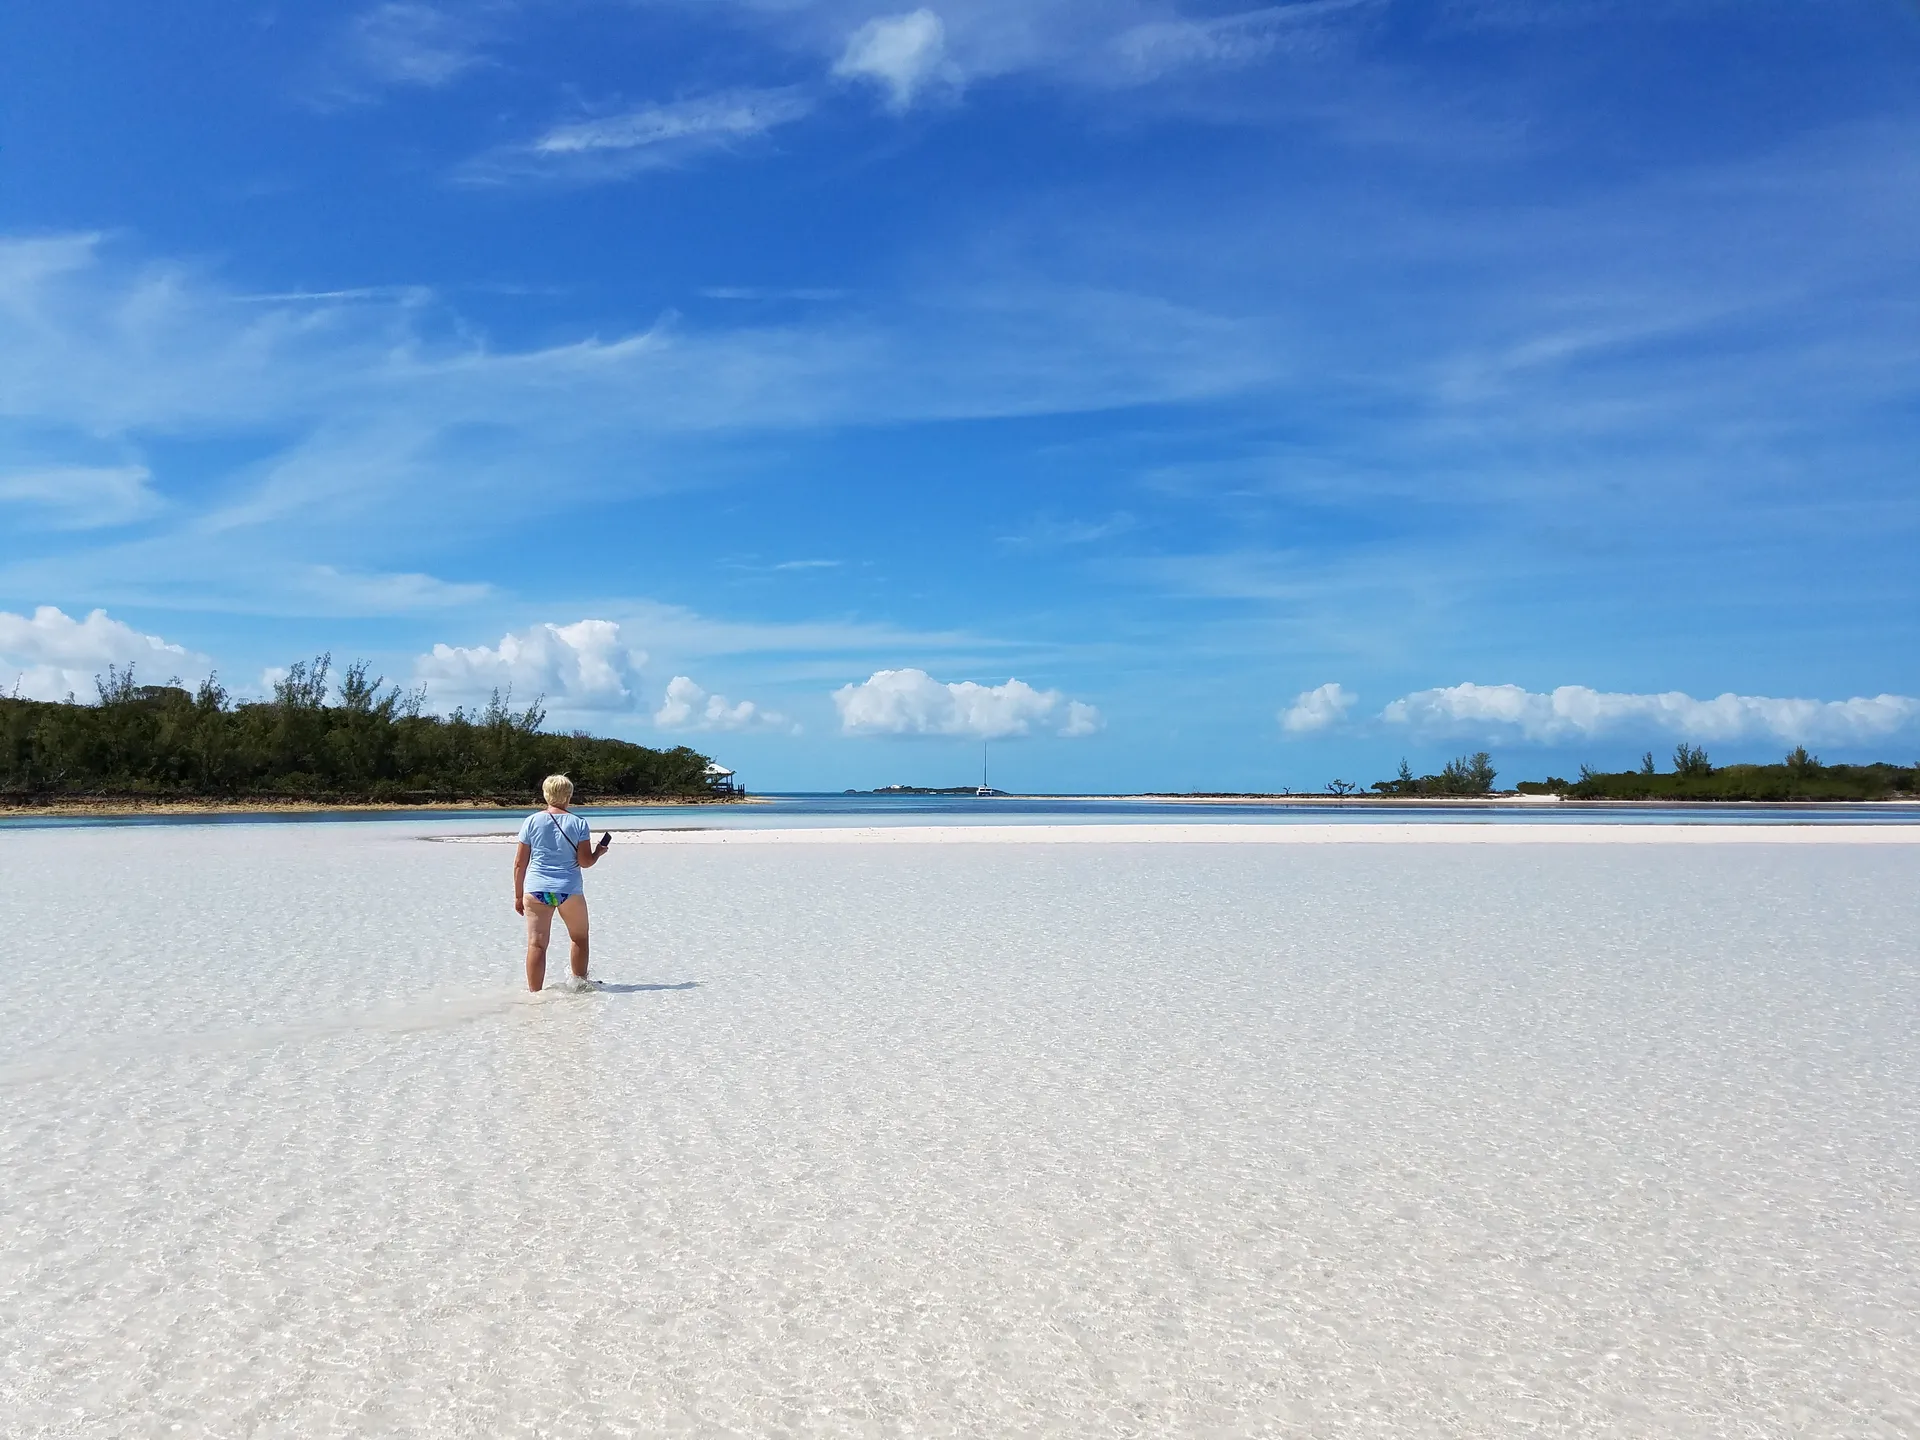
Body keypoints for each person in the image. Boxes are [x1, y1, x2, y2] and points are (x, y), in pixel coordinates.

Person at [513, 774, 612, 992]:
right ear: (569, 795)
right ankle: (579, 986)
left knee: (537, 944)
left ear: (546, 794)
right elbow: (585, 862)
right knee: (579, 938)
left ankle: (535, 994)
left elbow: (520, 863)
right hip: (568, 889)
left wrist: (518, 895)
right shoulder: (578, 823)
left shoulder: (531, 821)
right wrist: (598, 852)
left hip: (536, 889)